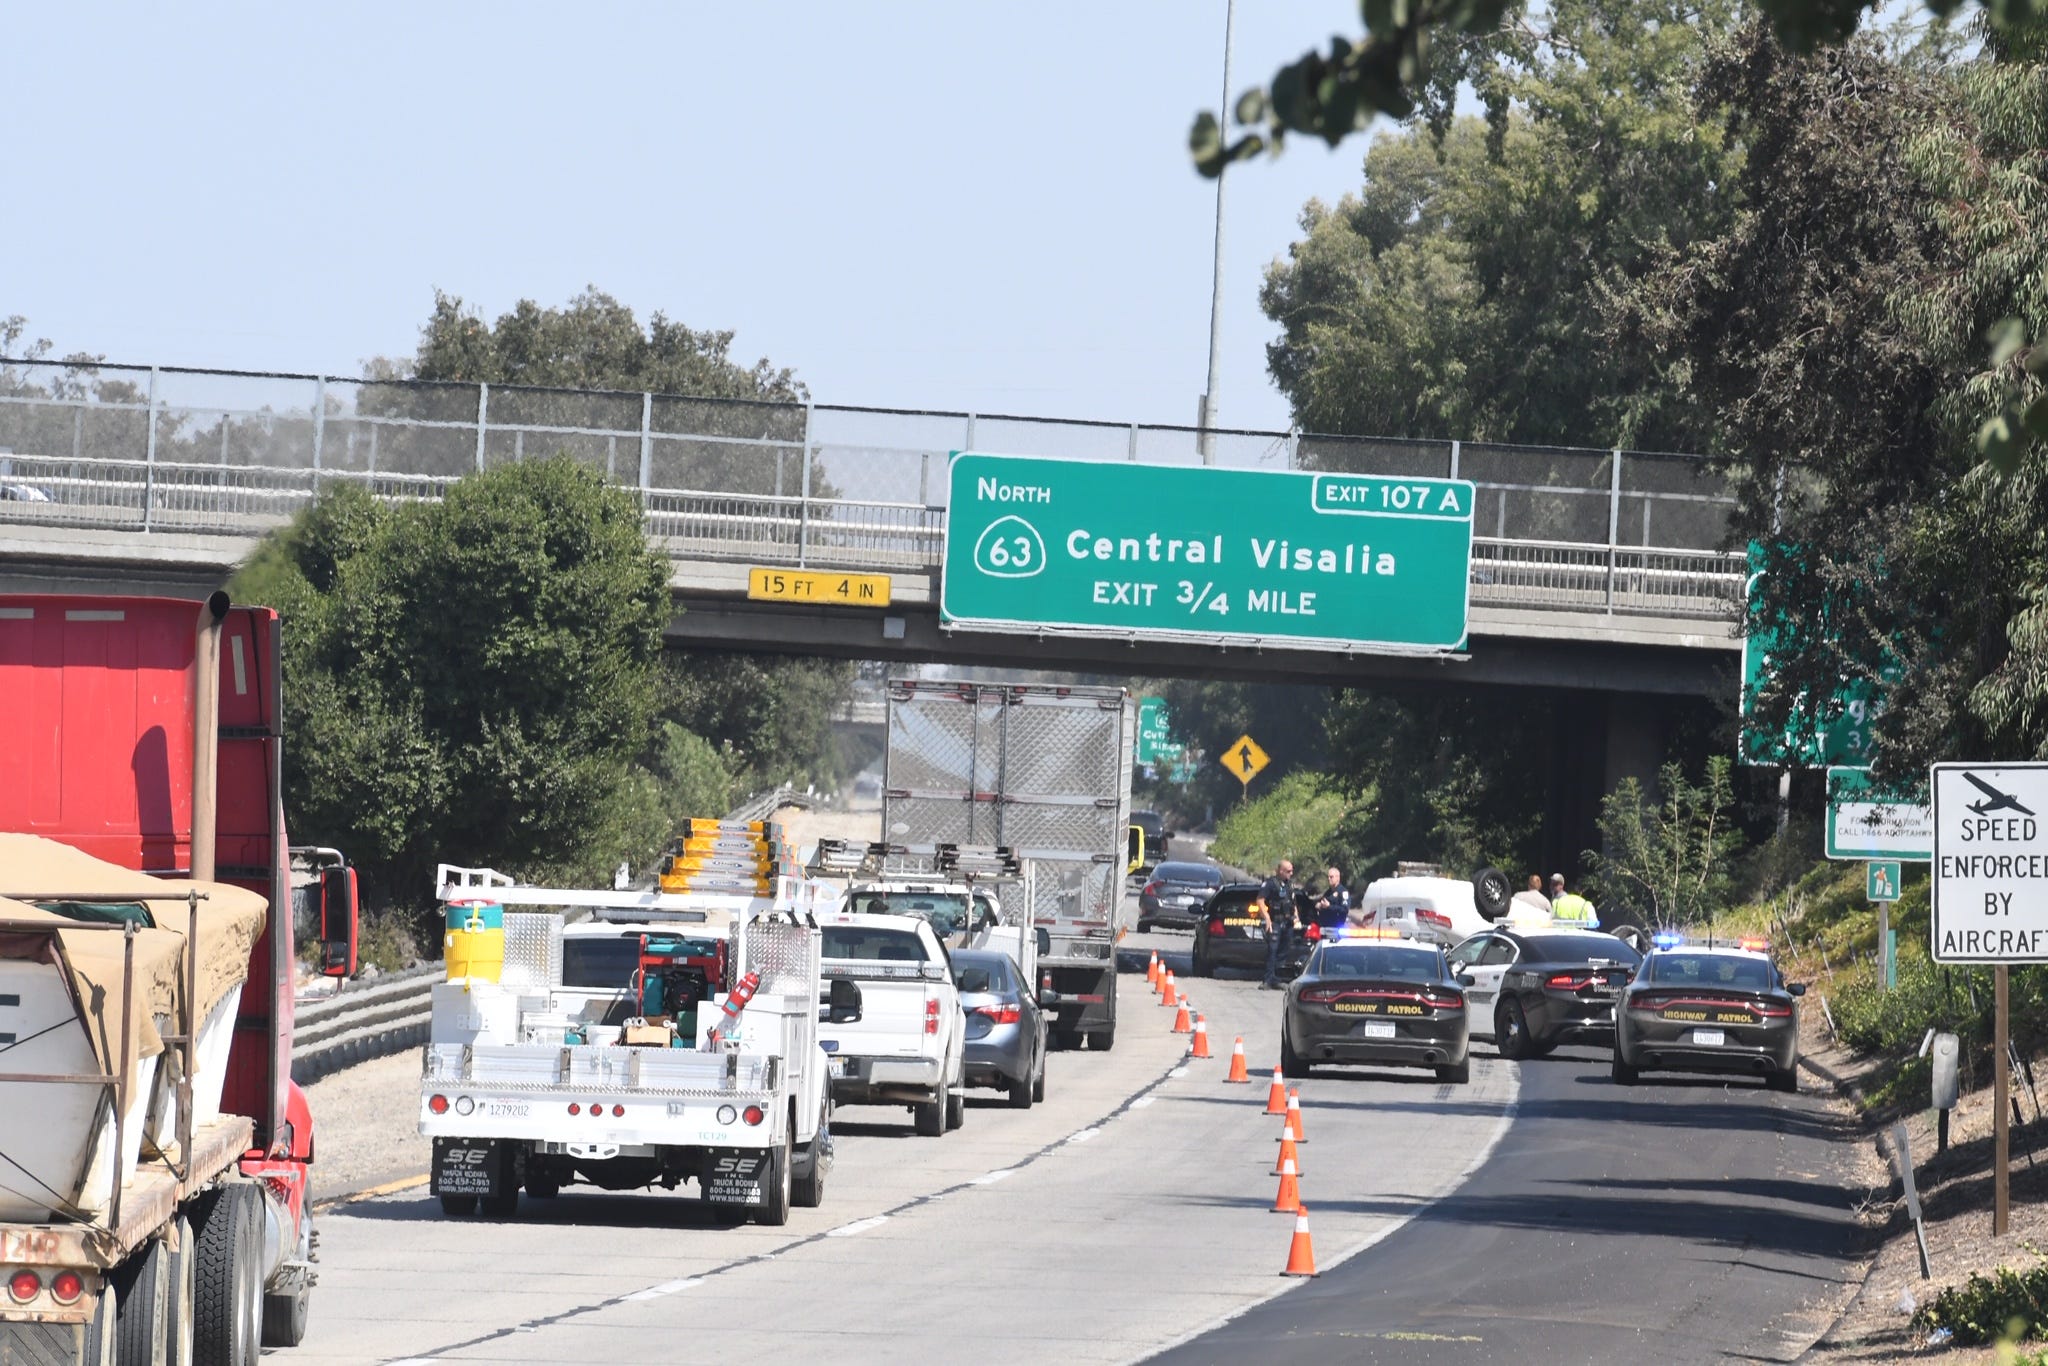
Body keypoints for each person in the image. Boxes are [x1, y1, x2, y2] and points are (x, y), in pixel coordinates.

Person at [1259, 858, 1297, 989]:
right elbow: (1260, 901)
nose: (1290, 873)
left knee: (1284, 951)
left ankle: (1277, 978)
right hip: (1275, 922)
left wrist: (1296, 917)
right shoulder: (1270, 884)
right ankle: (1268, 979)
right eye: (1288, 871)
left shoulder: (1290, 885)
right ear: (1280, 871)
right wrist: (1267, 918)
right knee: (1273, 950)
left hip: (1288, 922)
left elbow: (1293, 902)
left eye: (1292, 871)